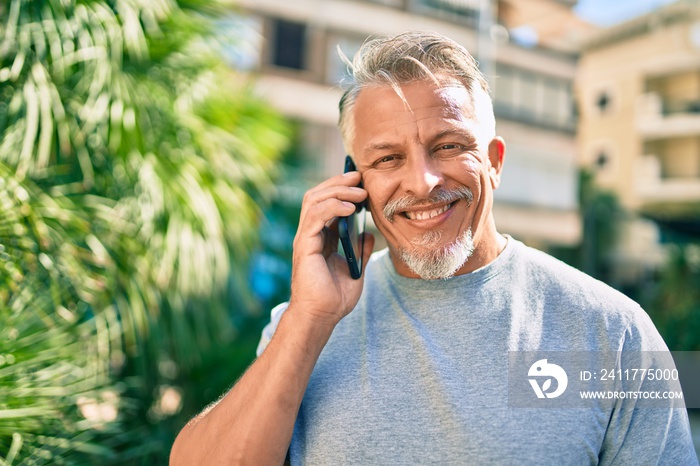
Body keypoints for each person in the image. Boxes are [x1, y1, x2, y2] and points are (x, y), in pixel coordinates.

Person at [170, 31, 698, 465]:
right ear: (356, 182)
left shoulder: (611, 330)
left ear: (493, 160)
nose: (421, 182)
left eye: (448, 147)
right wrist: (308, 319)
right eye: (387, 159)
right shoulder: (305, 325)